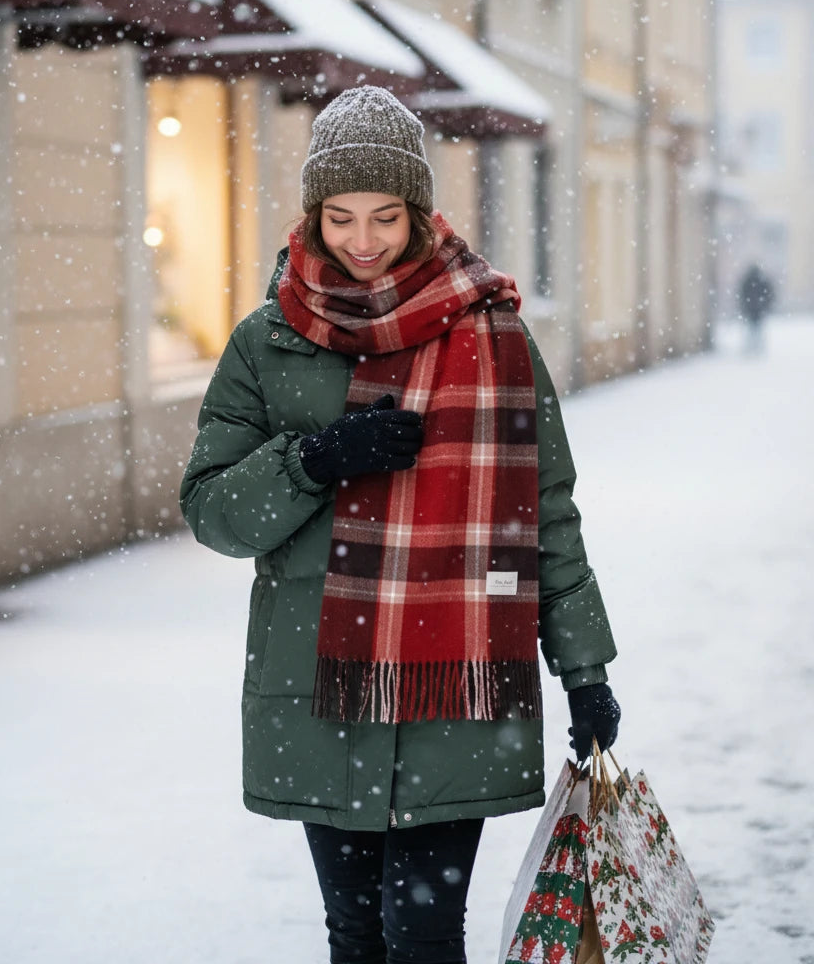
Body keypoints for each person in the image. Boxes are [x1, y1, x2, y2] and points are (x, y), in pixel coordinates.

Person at [180, 86, 620, 964]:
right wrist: (313, 460)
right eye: (341, 217)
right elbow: (214, 513)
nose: (364, 241)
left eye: (385, 216)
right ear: (314, 214)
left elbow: (548, 515)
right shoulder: (266, 343)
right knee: (355, 935)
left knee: (422, 934)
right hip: (317, 686)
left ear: (420, 214)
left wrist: (585, 671)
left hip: (457, 692)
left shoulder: (495, 337)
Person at [738, 262, 775, 354]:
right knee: (757, 330)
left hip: (751, 310)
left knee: (752, 330)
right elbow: (769, 294)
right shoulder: (762, 281)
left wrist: (744, 306)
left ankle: (752, 347)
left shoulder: (748, 281)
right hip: (758, 310)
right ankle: (757, 347)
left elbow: (742, 294)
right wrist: (765, 306)